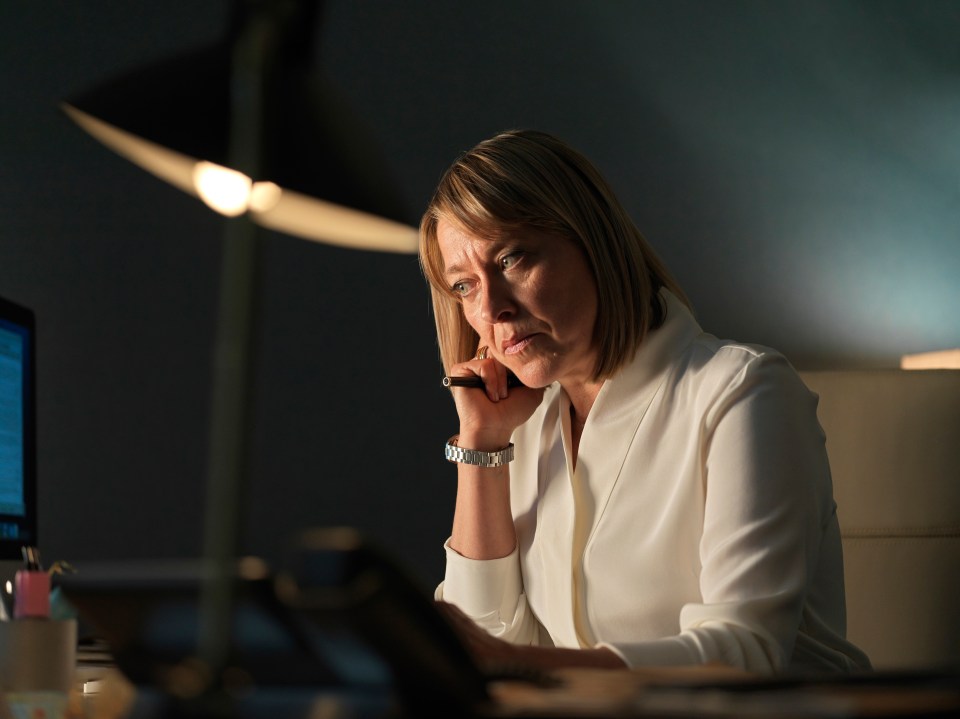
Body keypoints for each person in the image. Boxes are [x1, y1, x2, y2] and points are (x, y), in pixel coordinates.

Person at [418, 129, 870, 675]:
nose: (492, 308)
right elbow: (483, 644)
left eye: (512, 258)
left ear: (592, 241)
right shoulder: (526, 425)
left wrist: (527, 669)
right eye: (464, 286)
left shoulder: (742, 391)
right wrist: (483, 446)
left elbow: (745, 652)